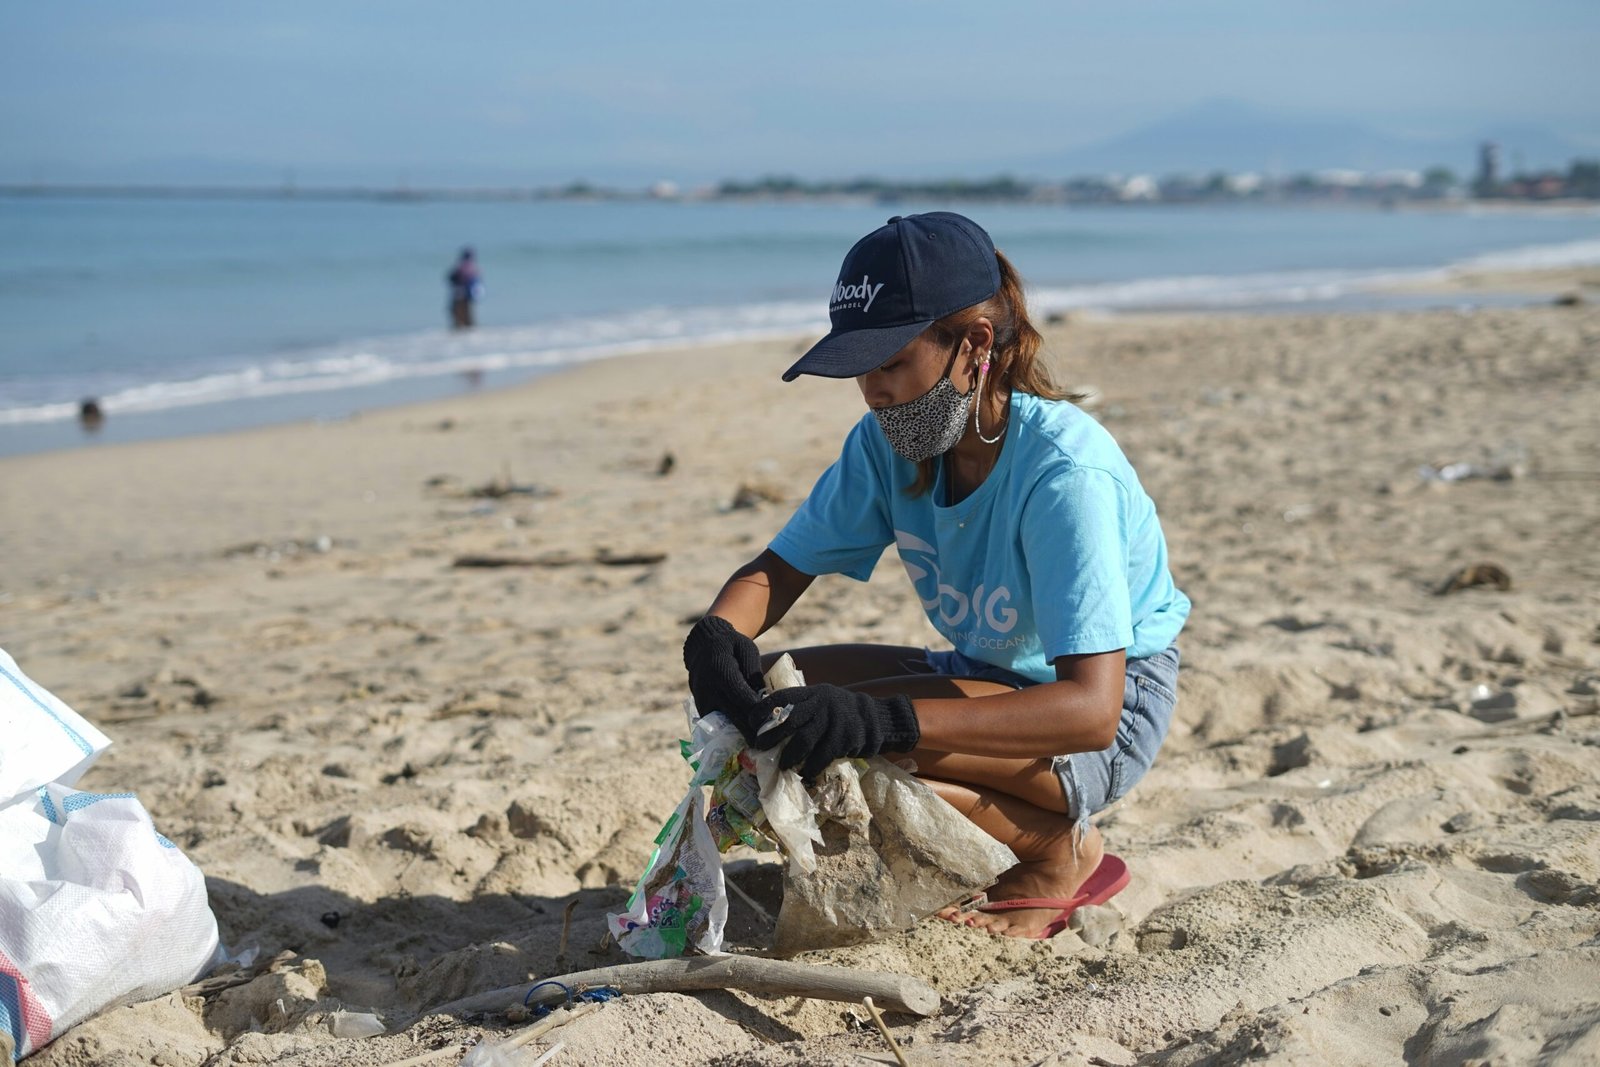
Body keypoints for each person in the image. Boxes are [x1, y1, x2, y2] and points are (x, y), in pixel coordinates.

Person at [682, 212, 1189, 940]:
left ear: (974, 345)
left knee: (857, 736)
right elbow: (776, 571)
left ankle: (1054, 848)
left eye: (890, 362)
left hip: (1102, 715)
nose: (872, 390)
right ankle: (1007, 829)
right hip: (988, 670)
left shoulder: (1063, 473)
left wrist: (886, 721)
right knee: (772, 698)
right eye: (861, 367)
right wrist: (718, 633)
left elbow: (1089, 710)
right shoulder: (890, 447)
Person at [447, 247, 482, 330]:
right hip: (470, 296)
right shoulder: (475, 268)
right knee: (468, 316)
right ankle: (471, 336)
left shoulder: (461, 267)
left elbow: (450, 279)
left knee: (457, 315)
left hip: (459, 295)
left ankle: (461, 336)